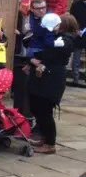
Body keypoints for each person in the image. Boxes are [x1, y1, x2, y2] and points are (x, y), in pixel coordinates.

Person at [26, 14, 78, 154]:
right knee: (36, 107)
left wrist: (35, 57)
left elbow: (51, 52)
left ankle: (50, 143)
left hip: (52, 80)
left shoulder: (67, 39)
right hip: (45, 77)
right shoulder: (55, 36)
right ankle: (44, 137)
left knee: (44, 110)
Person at [69, 0, 86, 83]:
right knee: (76, 58)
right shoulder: (75, 5)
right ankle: (76, 78)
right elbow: (72, 18)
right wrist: (76, 29)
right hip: (78, 33)